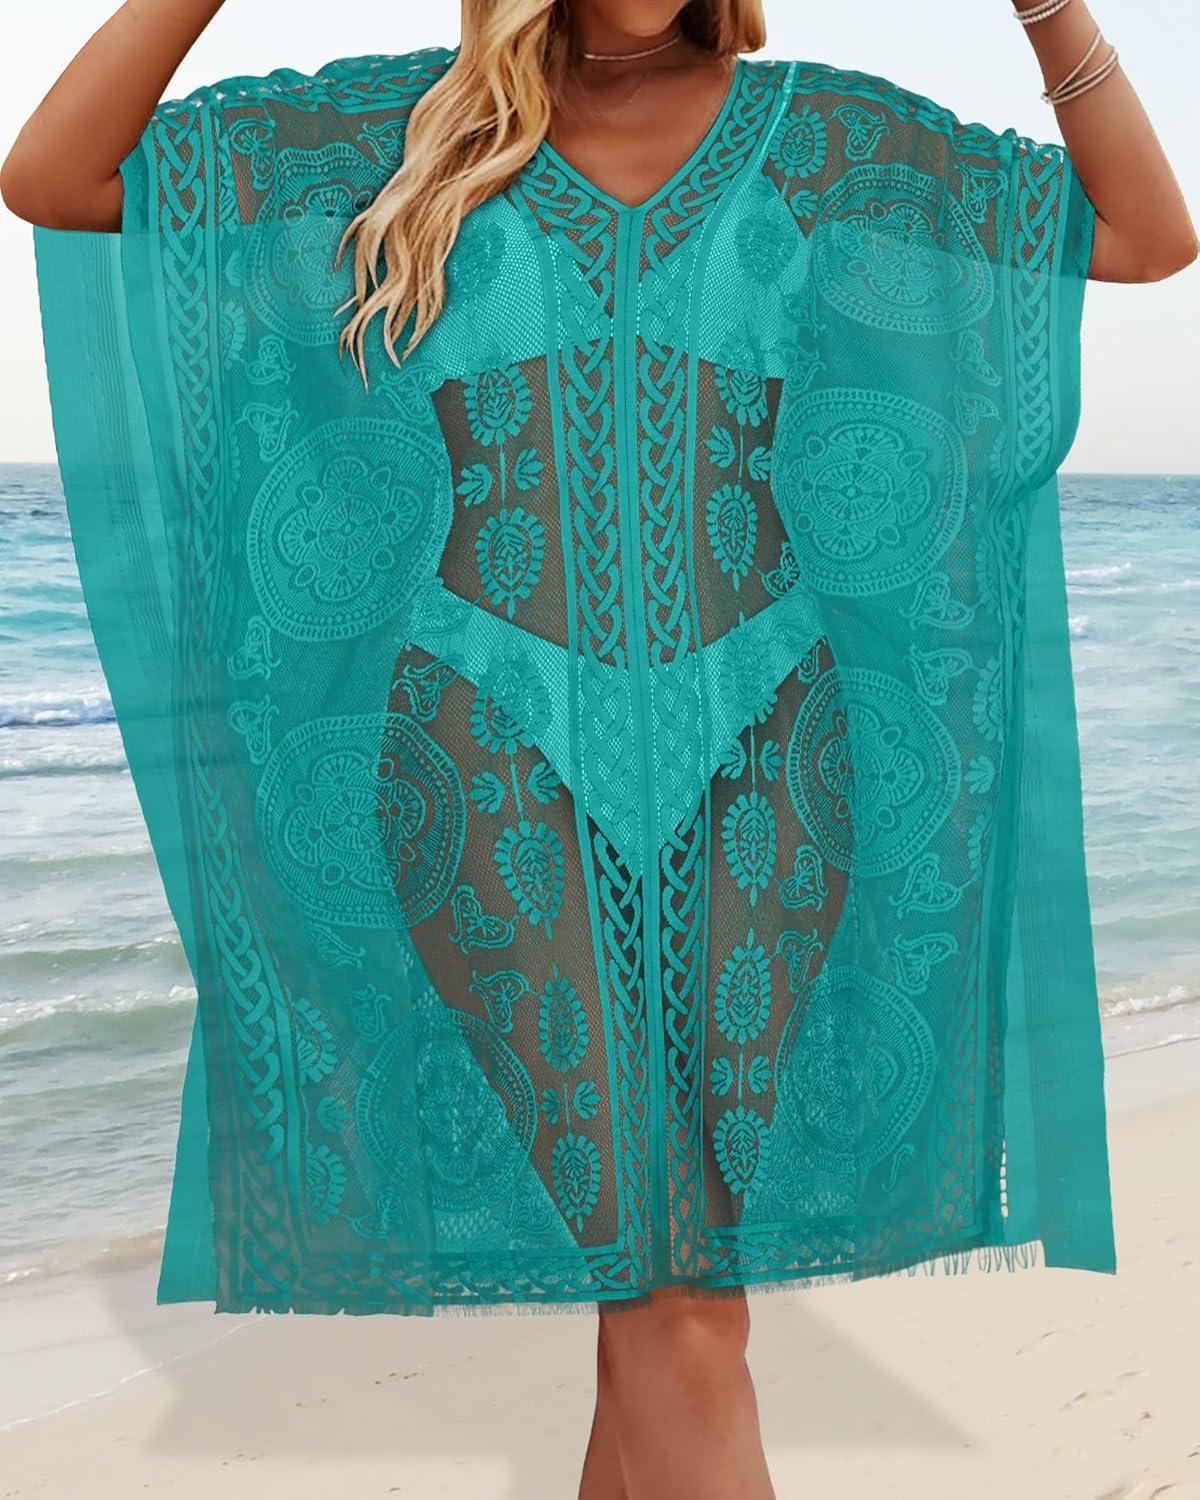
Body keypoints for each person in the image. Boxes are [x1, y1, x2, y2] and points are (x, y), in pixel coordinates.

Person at [2, 3, 1195, 1497]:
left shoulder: (827, 141)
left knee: (675, 1287)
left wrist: (1044, 4)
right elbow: (55, 176)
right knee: (676, 1296)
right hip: (486, 763)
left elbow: (1145, 235)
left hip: (772, 764)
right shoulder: (409, 133)